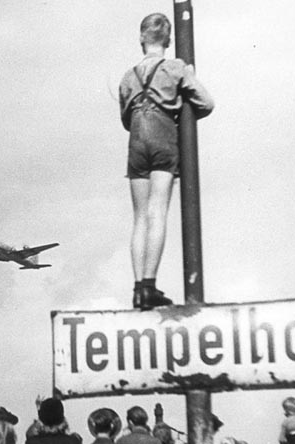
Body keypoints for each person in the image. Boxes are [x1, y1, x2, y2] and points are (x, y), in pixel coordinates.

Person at [118, 12, 214, 310]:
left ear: (141, 38)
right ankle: (149, 285)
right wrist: (189, 76)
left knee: (139, 218)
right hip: (162, 136)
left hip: (136, 139)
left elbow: (124, 118)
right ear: (169, 40)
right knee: (158, 211)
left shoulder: (127, 76)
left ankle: (137, 289)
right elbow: (206, 103)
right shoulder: (175, 68)